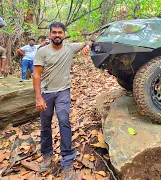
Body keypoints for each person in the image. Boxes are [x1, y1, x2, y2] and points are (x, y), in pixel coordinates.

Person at [33, 22, 92, 180]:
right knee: (45, 125)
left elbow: (89, 41)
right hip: (46, 92)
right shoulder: (42, 52)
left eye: (60, 32)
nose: (57, 35)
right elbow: (36, 74)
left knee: (64, 120)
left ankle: (66, 161)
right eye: (54, 32)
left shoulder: (70, 48)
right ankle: (47, 155)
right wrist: (38, 97)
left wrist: (87, 45)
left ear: (65, 34)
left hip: (63, 92)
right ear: (50, 34)